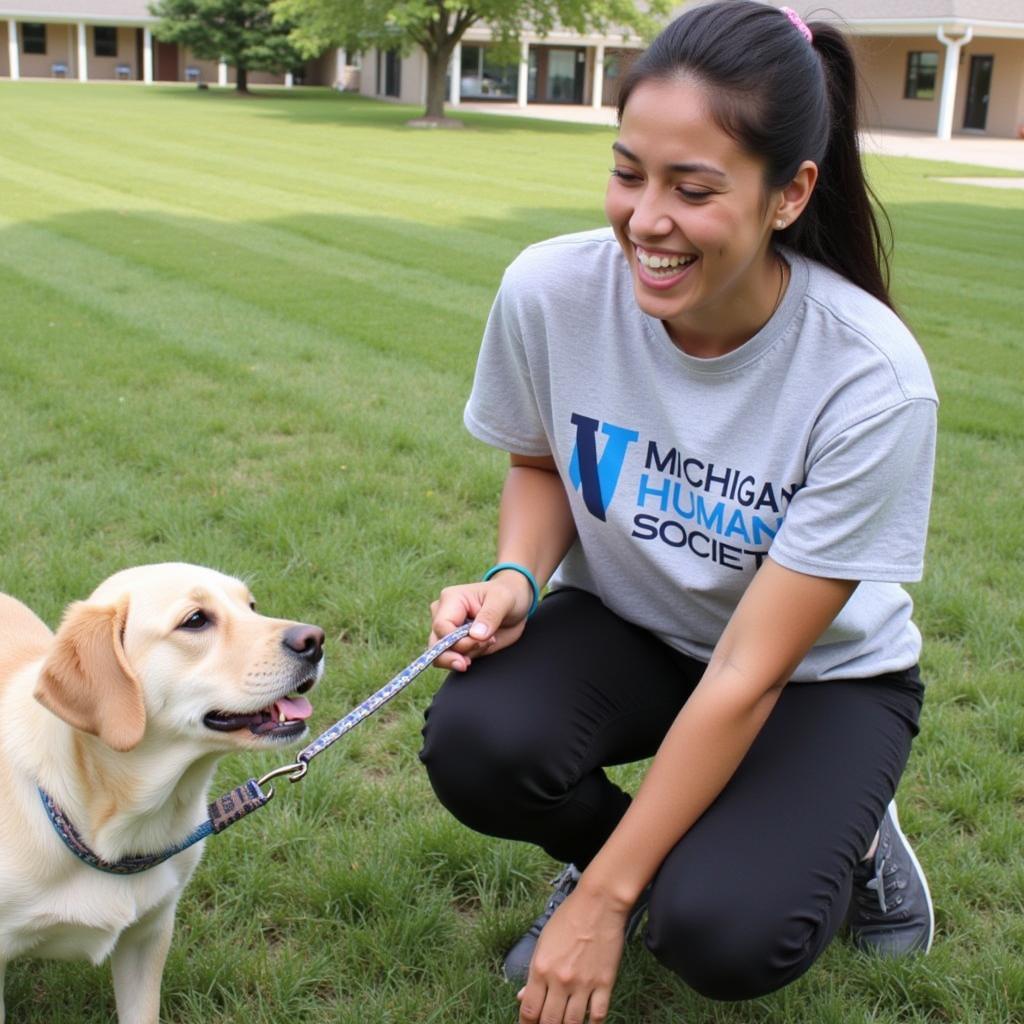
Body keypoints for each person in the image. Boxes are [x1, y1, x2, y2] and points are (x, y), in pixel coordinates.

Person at [419, 2, 938, 1021]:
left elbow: (748, 670)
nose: (644, 220)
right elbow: (539, 458)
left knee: (726, 933)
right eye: (627, 173)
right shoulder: (551, 290)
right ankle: (639, 857)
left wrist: (607, 900)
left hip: (811, 677)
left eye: (692, 189)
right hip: (640, 630)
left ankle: (853, 830)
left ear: (788, 194)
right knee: (479, 744)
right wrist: (517, 575)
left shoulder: (868, 378)